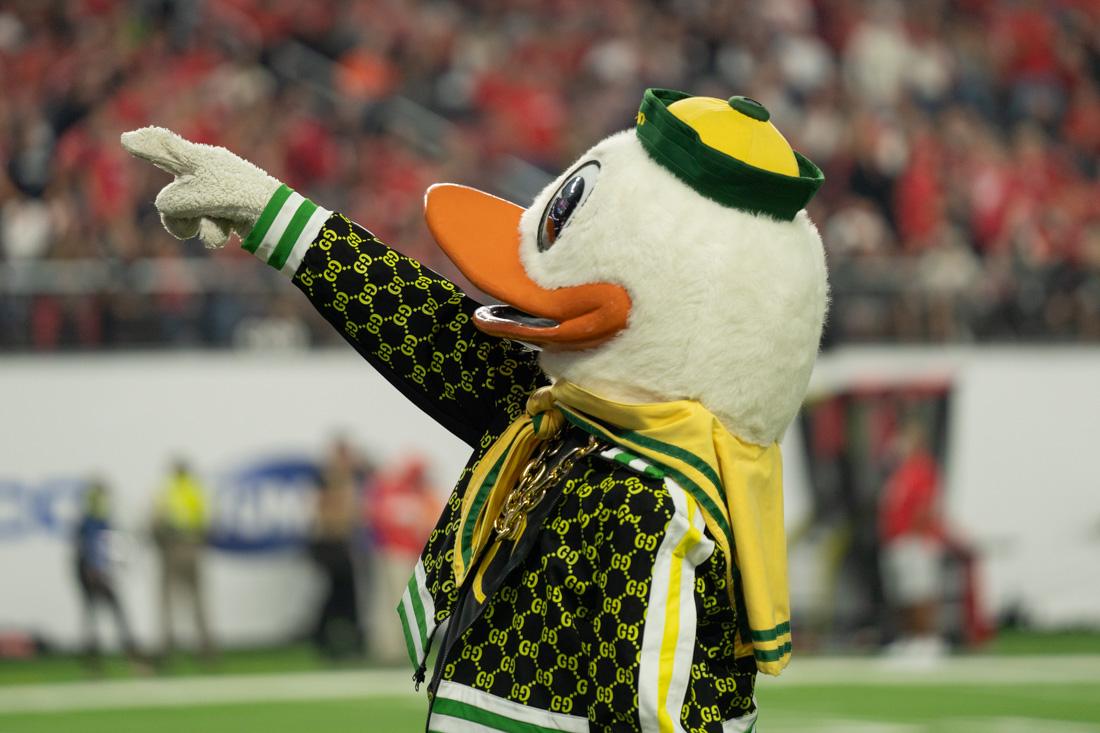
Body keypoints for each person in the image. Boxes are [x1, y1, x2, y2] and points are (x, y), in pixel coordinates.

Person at [878, 420, 948, 660]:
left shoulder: (923, 469)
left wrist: (915, 536)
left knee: (921, 592)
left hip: (916, 541)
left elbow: (925, 506)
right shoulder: (899, 473)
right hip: (898, 541)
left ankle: (928, 640)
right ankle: (909, 639)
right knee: (904, 594)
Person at [363, 455, 441, 663]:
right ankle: (390, 650)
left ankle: (402, 648)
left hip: (410, 555)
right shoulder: (394, 492)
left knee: (404, 601)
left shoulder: (422, 495)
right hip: (394, 553)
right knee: (393, 602)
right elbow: (376, 519)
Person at [73, 479, 143, 670]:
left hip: (90, 570)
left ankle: (94, 660)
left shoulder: (89, 516)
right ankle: (127, 656)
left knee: (94, 615)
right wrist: (95, 569)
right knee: (108, 613)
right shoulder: (95, 518)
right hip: (93, 571)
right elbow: (93, 544)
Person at [308, 438, 366, 659]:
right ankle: (323, 638)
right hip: (330, 544)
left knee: (344, 594)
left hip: (341, 544)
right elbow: (329, 518)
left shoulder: (350, 479)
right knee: (337, 593)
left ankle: (337, 640)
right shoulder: (328, 480)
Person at [152, 459, 215, 662]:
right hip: (193, 546)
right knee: (198, 600)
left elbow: (156, 521)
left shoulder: (167, 490)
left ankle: (166, 646)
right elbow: (207, 521)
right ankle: (206, 647)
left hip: (172, 547)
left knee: (167, 600)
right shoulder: (195, 490)